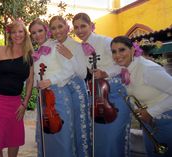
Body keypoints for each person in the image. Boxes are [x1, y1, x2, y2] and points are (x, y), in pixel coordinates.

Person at [72, 13, 131, 157]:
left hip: (115, 94)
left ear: (91, 26)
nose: (79, 30)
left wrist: (105, 72)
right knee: (99, 140)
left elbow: (125, 62)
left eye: (83, 26)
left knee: (113, 139)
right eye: (76, 27)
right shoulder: (80, 48)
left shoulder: (105, 41)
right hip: (98, 98)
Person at [111, 35, 172, 157]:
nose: (117, 55)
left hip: (166, 122)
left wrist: (151, 112)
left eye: (122, 49)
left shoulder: (148, 69)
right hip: (149, 124)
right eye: (114, 51)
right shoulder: (125, 69)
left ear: (133, 50)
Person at [0, 19, 34, 157]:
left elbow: (30, 80)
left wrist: (24, 103)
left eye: (20, 32)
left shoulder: (29, 56)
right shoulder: (0, 50)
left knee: (14, 138)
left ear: (25, 34)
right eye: (14, 32)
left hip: (15, 102)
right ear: (10, 35)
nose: (17, 35)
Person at [29, 18, 75, 157]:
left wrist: (50, 80)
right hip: (44, 98)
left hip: (58, 95)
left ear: (46, 30)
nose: (37, 35)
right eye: (33, 33)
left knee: (61, 135)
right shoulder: (36, 52)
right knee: (47, 137)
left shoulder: (57, 46)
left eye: (40, 30)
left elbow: (69, 70)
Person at [49, 15, 92, 157]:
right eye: (53, 28)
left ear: (67, 28)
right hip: (62, 91)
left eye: (60, 26)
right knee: (67, 129)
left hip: (77, 91)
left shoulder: (76, 45)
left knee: (80, 128)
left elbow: (83, 74)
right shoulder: (52, 45)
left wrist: (70, 56)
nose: (57, 31)